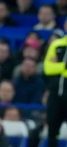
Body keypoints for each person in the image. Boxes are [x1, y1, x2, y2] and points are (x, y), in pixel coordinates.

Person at [43, 18, 67, 147]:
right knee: (52, 129)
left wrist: (58, 66)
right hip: (55, 94)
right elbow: (47, 68)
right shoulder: (56, 44)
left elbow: (53, 67)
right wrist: (64, 67)